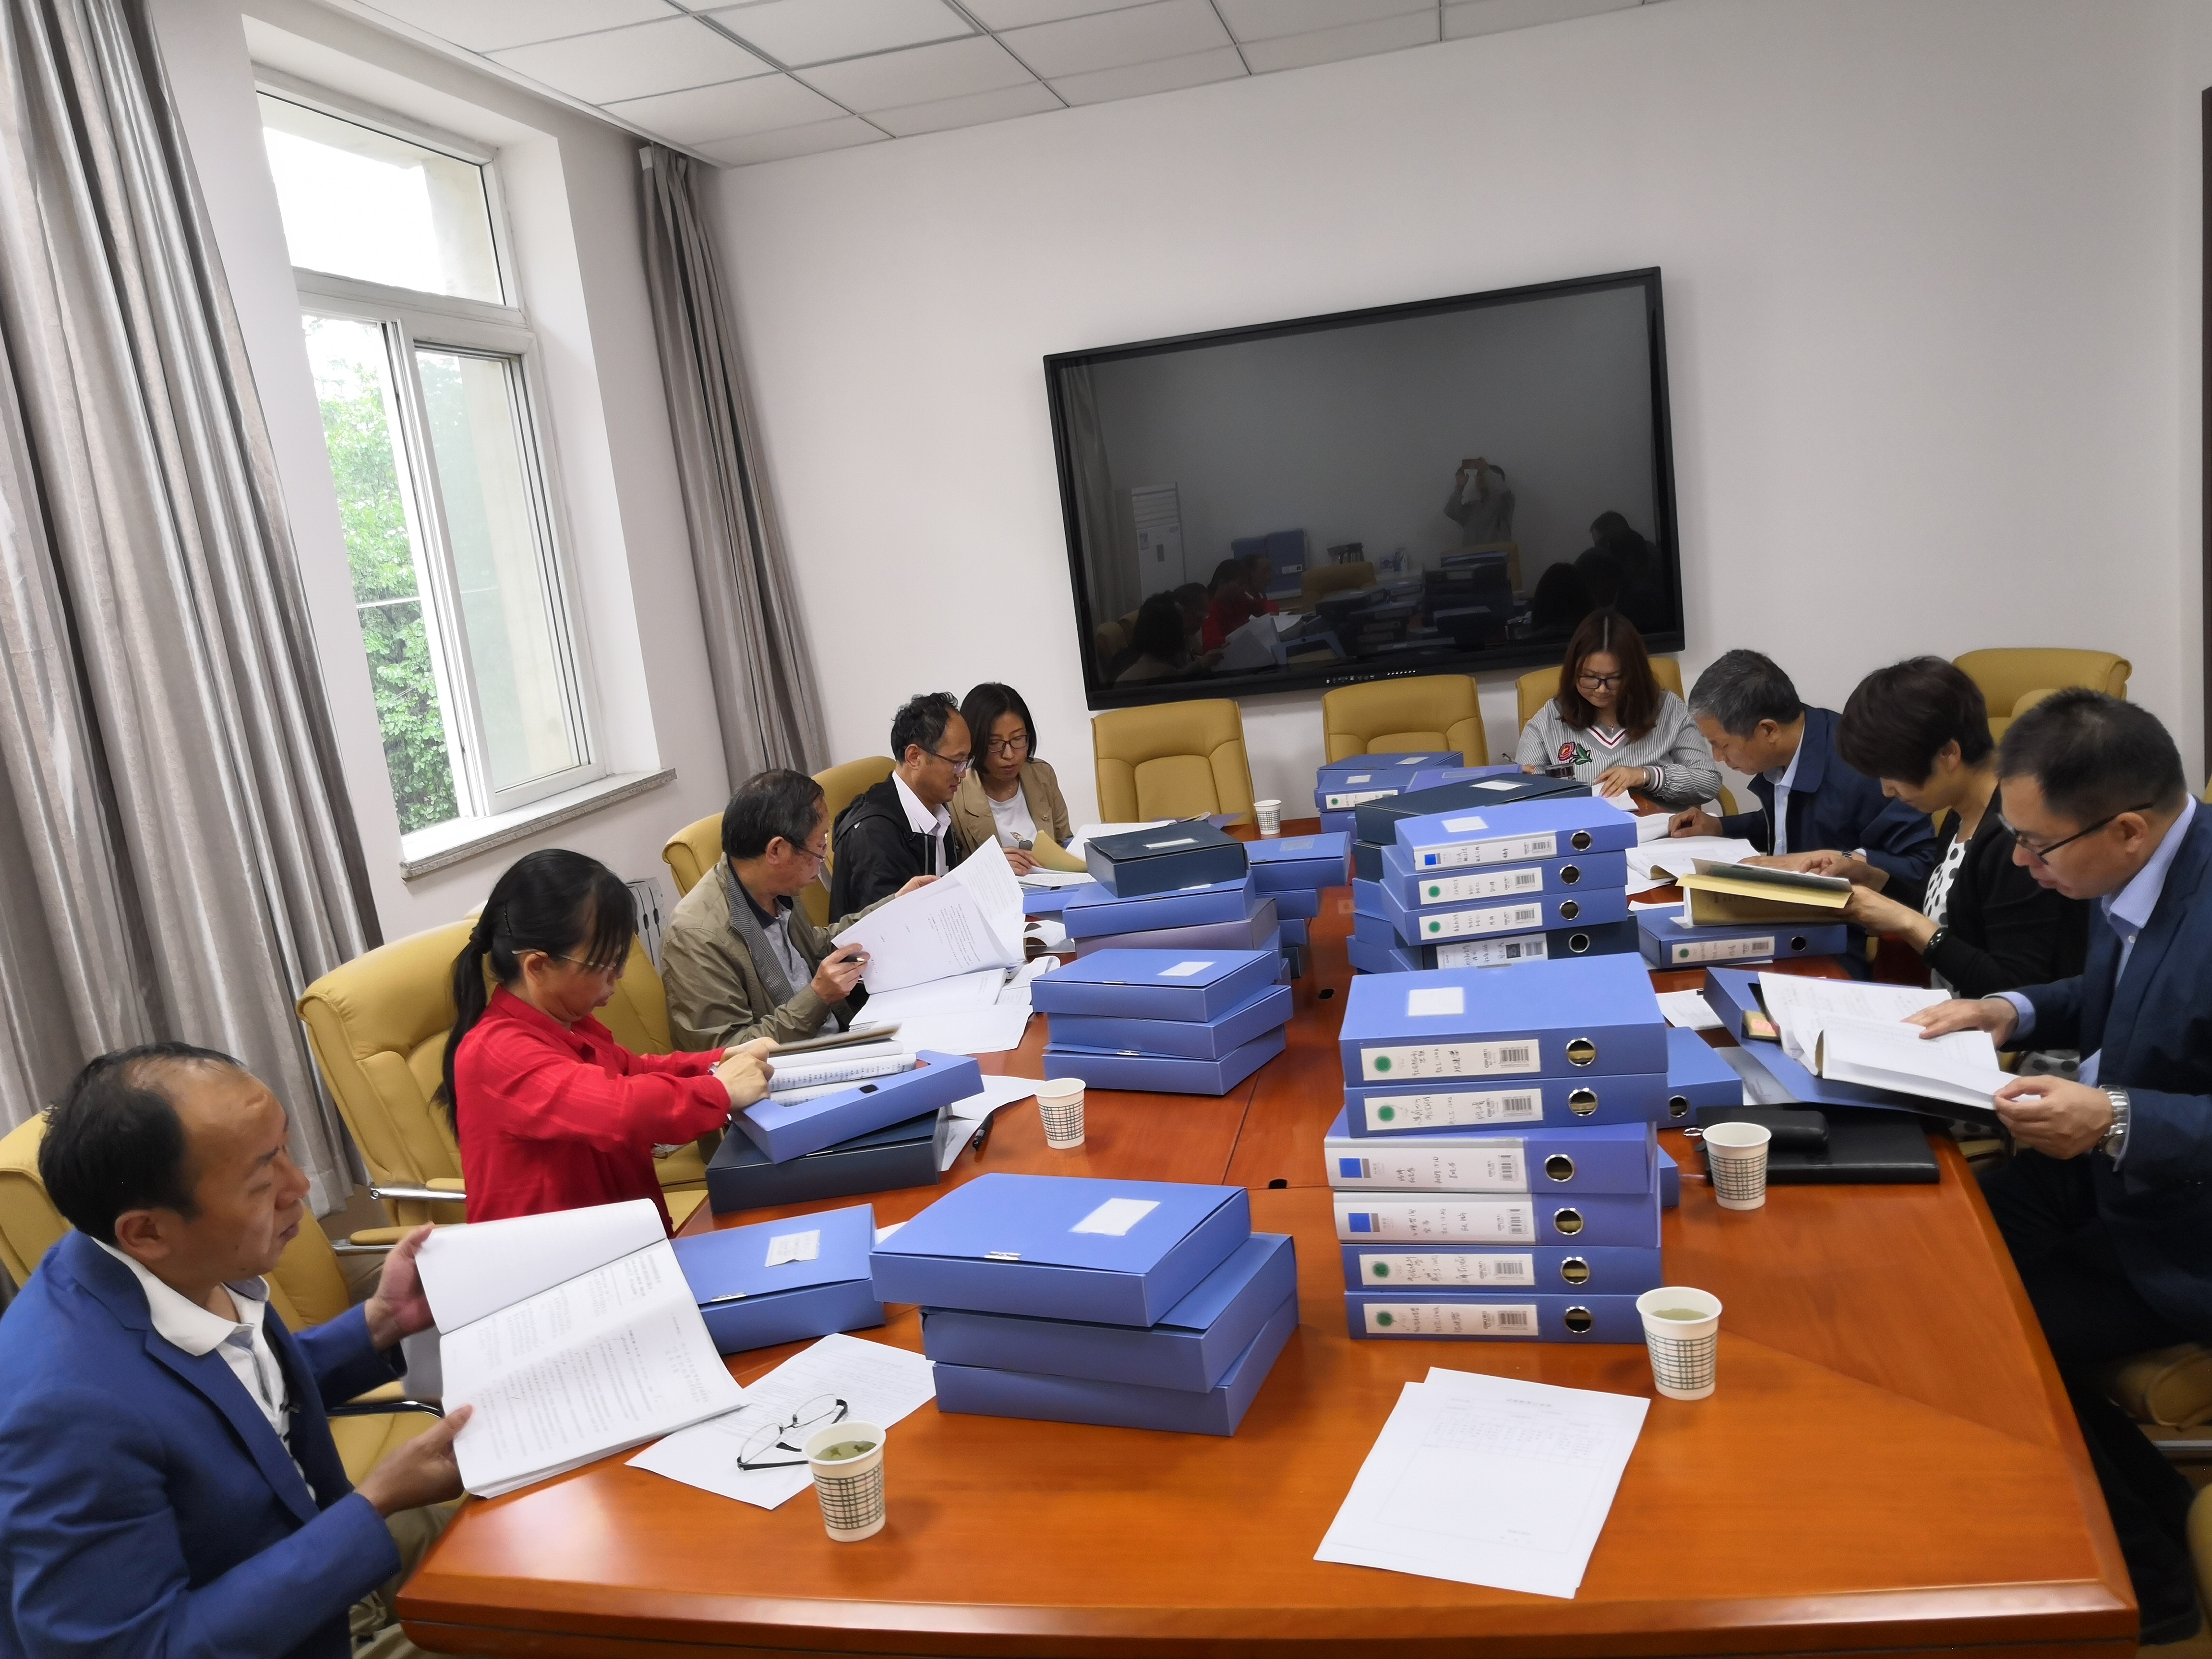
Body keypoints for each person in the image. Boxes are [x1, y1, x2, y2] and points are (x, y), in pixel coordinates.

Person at [1907, 691, 2212, 1645]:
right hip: (2094, 1175)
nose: (2023, 867)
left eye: (2039, 847)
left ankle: (2152, 1588)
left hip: (2183, 1225)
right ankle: (2157, 1505)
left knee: (1980, 1333)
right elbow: (2116, 989)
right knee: (1927, 1252)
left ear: (2126, 829)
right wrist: (2013, 1010)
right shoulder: (2137, 869)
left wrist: (2115, 1117)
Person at [0, 1044, 471, 1659]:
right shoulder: (65, 1414)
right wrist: (374, 1502)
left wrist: (380, 1323)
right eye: (262, 1182)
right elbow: (139, 1648)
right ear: (146, 1231)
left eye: (285, 1148)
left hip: (309, 1548)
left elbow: (236, 1396)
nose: (299, 1187)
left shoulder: (172, 1264)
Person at [442, 848, 773, 1233]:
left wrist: (723, 1057)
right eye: (605, 965)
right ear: (539, 966)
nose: (619, 976)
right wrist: (719, 1091)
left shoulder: (570, 1024)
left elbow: (636, 1070)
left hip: (623, 1242)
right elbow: (621, 1110)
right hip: (556, 1261)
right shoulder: (495, 1051)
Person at [1809, 657, 2088, 996]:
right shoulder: (1962, 813)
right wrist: (1877, 879)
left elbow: (2014, 990)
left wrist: (1907, 923)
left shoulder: (2014, 839)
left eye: (1892, 773)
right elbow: (1956, 911)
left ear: (1948, 754)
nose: (1887, 791)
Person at [662, 770, 935, 1051]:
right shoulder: (697, 936)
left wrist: (896, 905)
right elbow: (725, 1053)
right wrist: (818, 997)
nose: (824, 858)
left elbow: (812, 946)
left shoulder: (774, 887)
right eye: (820, 845)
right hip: (792, 1065)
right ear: (777, 851)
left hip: (836, 1037)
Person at [1669, 648, 1937, 892]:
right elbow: (1792, 825)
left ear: (1768, 730)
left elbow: (1923, 867)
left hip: (1848, 919)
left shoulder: (1864, 768)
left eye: (1721, 745)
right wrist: (1719, 826)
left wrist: (1848, 860)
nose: (1718, 757)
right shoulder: (1790, 749)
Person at [1514, 609, 1718, 807]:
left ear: (1634, 674)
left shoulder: (1668, 709)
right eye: (1590, 677)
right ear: (1573, 673)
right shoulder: (1551, 716)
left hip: (1655, 824)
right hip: (1582, 825)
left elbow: (1708, 781)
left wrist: (1647, 776)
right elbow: (1522, 791)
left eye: (1614, 678)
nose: (1602, 690)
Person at [830, 692, 974, 914]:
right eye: (956, 762)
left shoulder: (935, 805)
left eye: (966, 762)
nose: (962, 773)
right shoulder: (873, 834)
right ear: (914, 757)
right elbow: (887, 926)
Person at [951, 682, 1073, 877]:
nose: (1008, 755)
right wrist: (991, 866)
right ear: (974, 742)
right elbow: (947, 873)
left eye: (1018, 739)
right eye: (995, 743)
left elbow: (1064, 843)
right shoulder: (955, 794)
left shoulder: (1042, 775)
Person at [1115, 592, 1200, 685]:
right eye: (1181, 622)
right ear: (1172, 631)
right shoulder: (1166, 674)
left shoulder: (1134, 667)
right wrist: (1199, 665)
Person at [1443, 456, 1514, 546]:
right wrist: (1459, 487)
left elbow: (1504, 492)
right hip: (1471, 554)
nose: (1480, 478)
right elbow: (1450, 511)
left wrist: (1486, 471)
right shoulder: (1473, 507)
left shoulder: (1505, 503)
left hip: (1498, 554)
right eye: (1478, 476)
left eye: (1484, 475)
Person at [1201, 557, 1262, 652]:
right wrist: (1238, 636)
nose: (1244, 589)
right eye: (1240, 584)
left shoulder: (1239, 600)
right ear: (1222, 583)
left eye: (1245, 585)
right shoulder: (1210, 608)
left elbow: (1263, 609)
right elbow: (1210, 644)